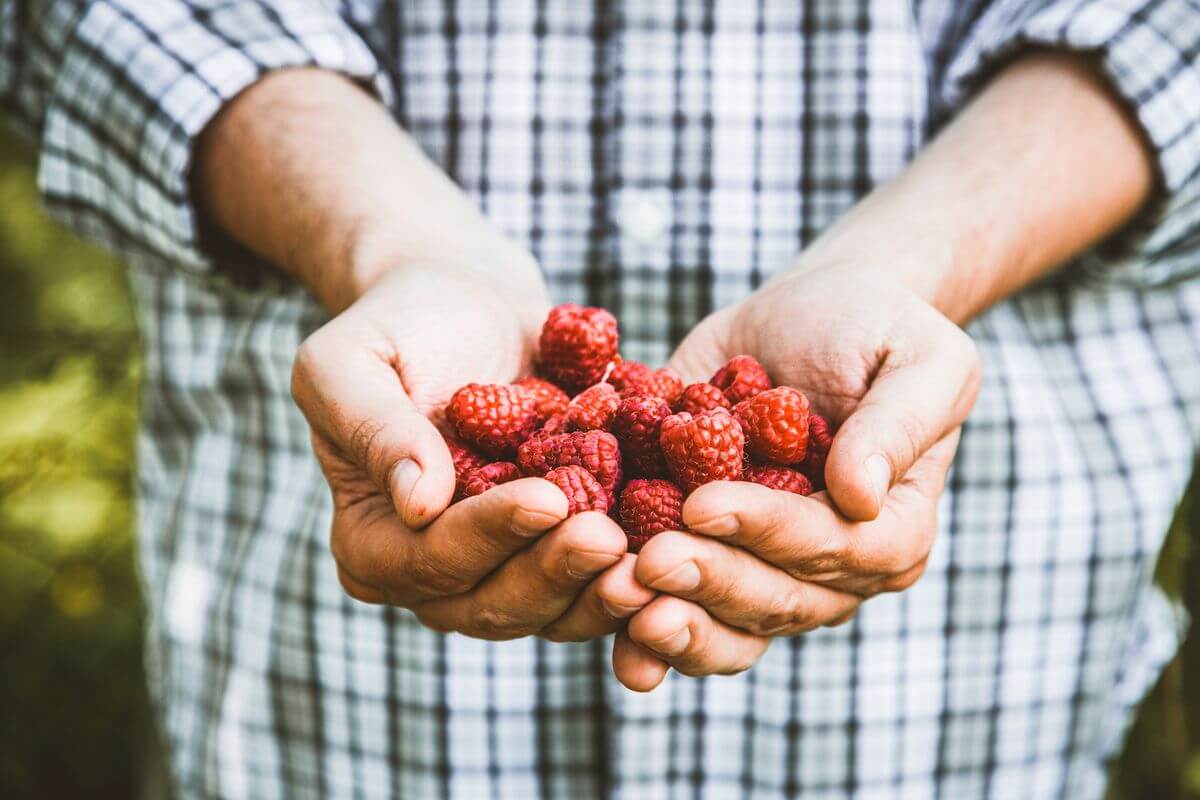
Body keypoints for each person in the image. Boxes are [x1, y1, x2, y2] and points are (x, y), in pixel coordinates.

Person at [4, 1, 1200, 797]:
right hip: (334, 717)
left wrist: (912, 262)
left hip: (966, 695)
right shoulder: (611, 423)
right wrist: (386, 240)